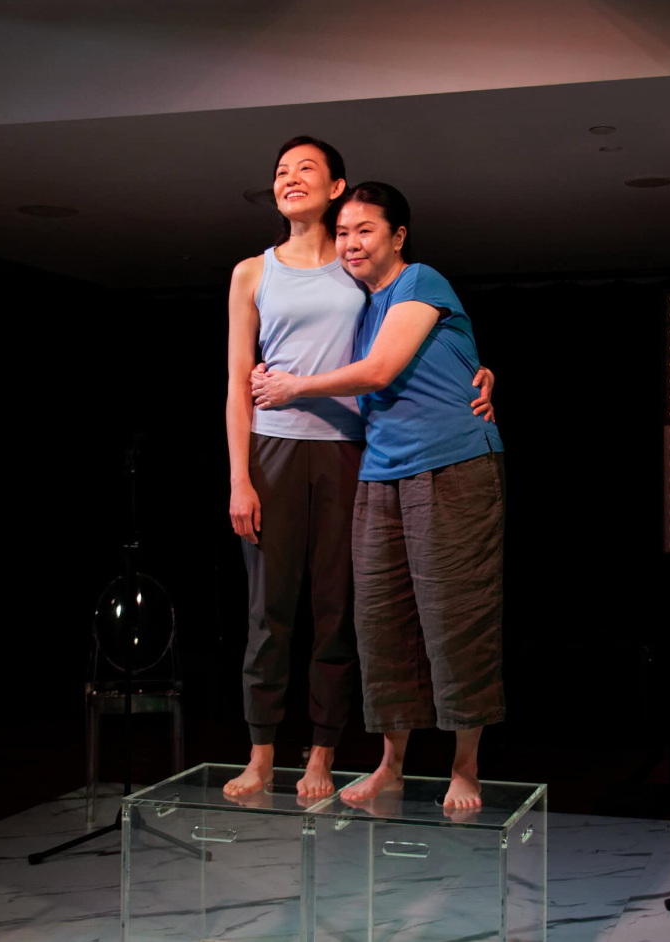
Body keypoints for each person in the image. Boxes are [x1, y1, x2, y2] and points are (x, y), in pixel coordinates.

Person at [225, 140, 494, 799]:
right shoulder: (282, 277)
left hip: (385, 454)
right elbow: (238, 383)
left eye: (306, 169)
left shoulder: (385, 274)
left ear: (339, 188)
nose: (290, 179)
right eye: (281, 171)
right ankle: (302, 757)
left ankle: (375, 758)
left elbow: (395, 358)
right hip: (321, 455)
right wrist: (239, 476)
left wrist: (481, 373)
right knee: (315, 615)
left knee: (383, 612)